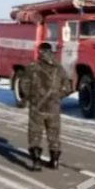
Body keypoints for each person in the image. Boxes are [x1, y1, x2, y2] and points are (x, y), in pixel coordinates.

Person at [25, 42, 65, 170]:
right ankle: (54, 161)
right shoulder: (59, 68)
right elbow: (67, 87)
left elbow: (24, 86)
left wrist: (31, 97)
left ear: (40, 52)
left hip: (37, 106)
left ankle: (36, 161)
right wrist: (57, 96)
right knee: (54, 134)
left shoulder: (32, 67)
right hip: (53, 107)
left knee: (35, 132)